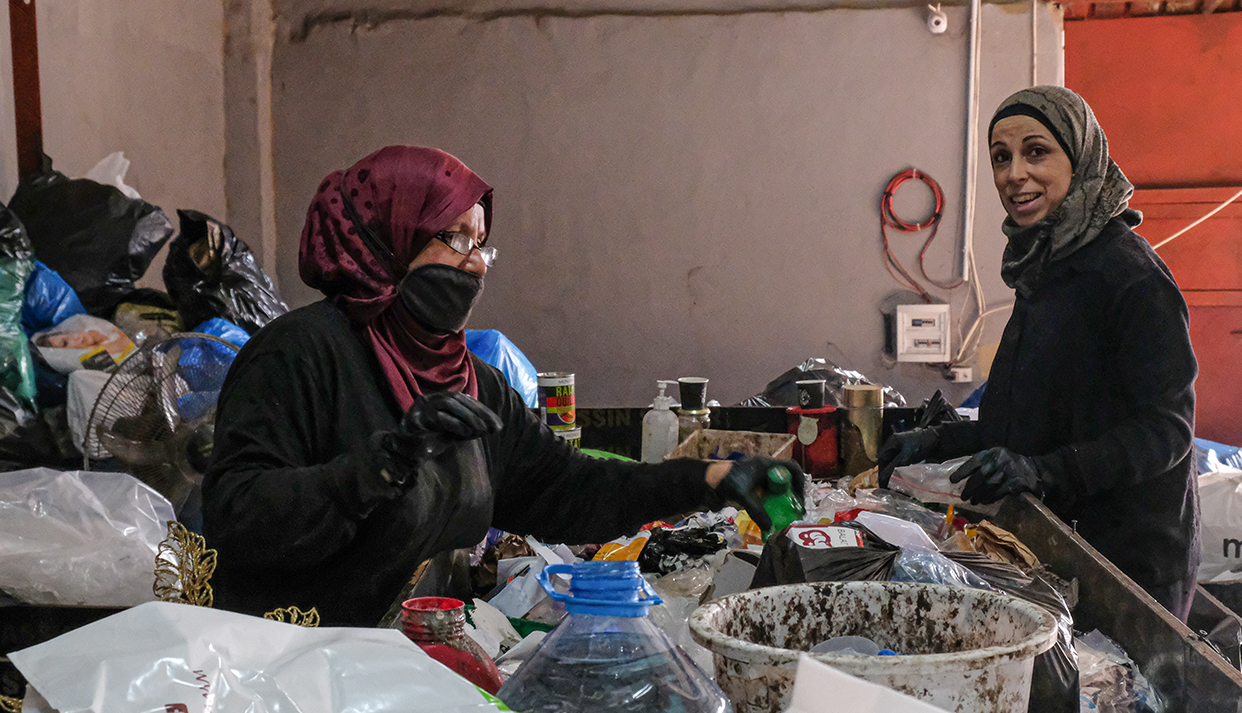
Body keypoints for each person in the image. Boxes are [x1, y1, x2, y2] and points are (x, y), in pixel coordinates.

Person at [203, 145, 801, 625]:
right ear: (391, 238)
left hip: (411, 658)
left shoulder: (473, 383)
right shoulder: (301, 353)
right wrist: (381, 466)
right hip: (291, 668)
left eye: (483, 245)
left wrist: (709, 479)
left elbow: (571, 490)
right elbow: (240, 517)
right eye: (456, 238)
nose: (475, 263)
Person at [879, 87, 1201, 618]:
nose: (1014, 174)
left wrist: (1045, 471)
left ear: (1079, 158)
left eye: (1036, 152)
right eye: (1001, 158)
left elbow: (1167, 431)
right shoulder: (1043, 272)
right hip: (1059, 546)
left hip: (1129, 566)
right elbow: (1024, 427)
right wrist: (936, 439)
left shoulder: (1130, 277)